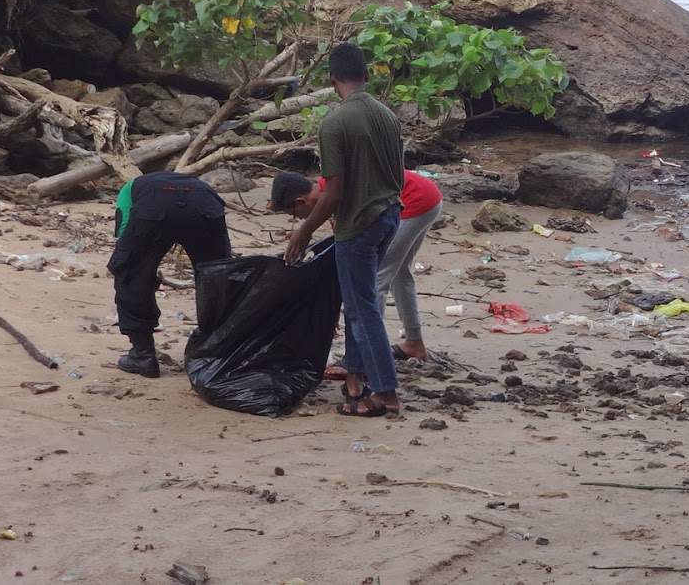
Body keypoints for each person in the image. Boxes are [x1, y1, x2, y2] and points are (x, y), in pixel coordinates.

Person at [284, 42, 405, 418]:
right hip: (391, 215)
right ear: (366, 75)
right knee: (360, 300)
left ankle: (385, 392)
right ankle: (356, 380)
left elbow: (334, 191)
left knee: (361, 308)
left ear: (332, 78)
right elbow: (397, 175)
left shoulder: (335, 122)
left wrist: (304, 231)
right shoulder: (387, 115)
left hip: (360, 224)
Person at [269, 167, 443, 364]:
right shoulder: (331, 201)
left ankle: (364, 358)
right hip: (427, 196)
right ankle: (413, 342)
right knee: (399, 273)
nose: (299, 219)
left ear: (302, 201)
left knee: (375, 278)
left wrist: (305, 230)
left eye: (295, 214)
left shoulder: (334, 193)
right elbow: (344, 256)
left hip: (413, 201)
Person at [107, 171, 231, 377]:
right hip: (205, 201)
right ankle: (215, 350)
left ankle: (143, 354)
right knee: (219, 275)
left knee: (130, 272)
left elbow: (125, 241)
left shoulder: (127, 191)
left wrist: (144, 275)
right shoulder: (197, 184)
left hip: (155, 206)